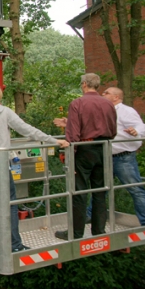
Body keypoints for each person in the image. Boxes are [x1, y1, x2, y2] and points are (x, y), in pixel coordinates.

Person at [0, 84, 69, 251]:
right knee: (10, 204)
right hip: (0, 164)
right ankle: (14, 245)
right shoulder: (5, 112)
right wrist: (54, 141)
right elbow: (27, 130)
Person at [55, 86, 145, 226]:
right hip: (104, 155)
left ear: (116, 97)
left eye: (106, 93)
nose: (103, 94)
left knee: (135, 189)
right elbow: (93, 129)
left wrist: (136, 130)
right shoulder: (104, 108)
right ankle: (91, 216)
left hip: (122, 158)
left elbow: (142, 127)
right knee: (100, 189)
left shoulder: (126, 111)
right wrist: (69, 123)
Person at [52, 73, 116, 240]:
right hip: (105, 148)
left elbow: (73, 134)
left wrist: (70, 158)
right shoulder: (109, 104)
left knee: (79, 191)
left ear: (85, 84)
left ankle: (76, 233)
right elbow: (113, 129)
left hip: (84, 149)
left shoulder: (77, 103)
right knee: (100, 190)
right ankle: (99, 231)